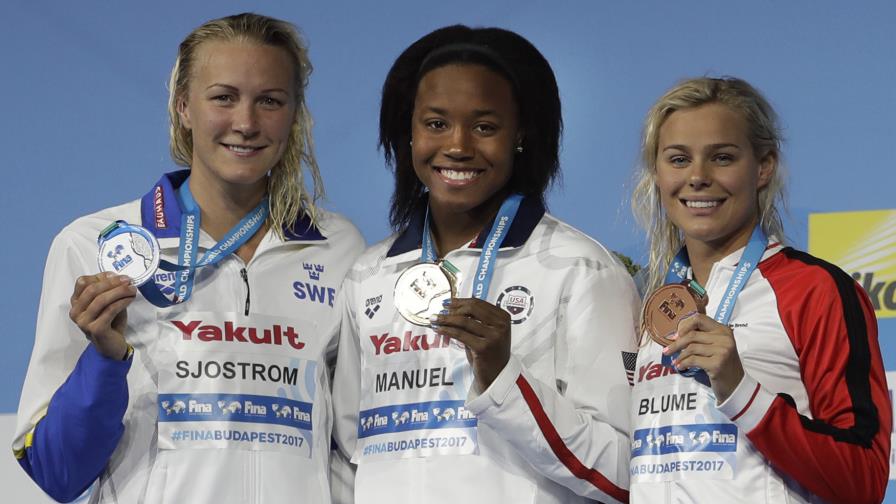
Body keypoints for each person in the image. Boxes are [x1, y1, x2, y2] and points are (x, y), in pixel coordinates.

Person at [12, 12, 364, 503]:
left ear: (294, 113)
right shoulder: (96, 246)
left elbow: (353, 451)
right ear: (183, 107)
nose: (245, 122)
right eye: (223, 97)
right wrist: (105, 360)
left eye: (270, 101)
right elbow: (56, 471)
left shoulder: (339, 247)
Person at [331, 25, 638, 504]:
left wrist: (503, 379)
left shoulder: (579, 270)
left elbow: (626, 472)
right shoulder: (368, 275)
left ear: (520, 135)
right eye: (435, 123)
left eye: (484, 126)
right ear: (406, 133)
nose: (457, 145)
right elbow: (351, 453)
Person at [629, 77, 890, 503]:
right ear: (657, 174)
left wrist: (740, 389)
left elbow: (864, 479)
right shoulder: (647, 302)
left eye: (722, 157)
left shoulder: (814, 289)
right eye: (678, 159)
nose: (697, 177)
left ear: (763, 166)